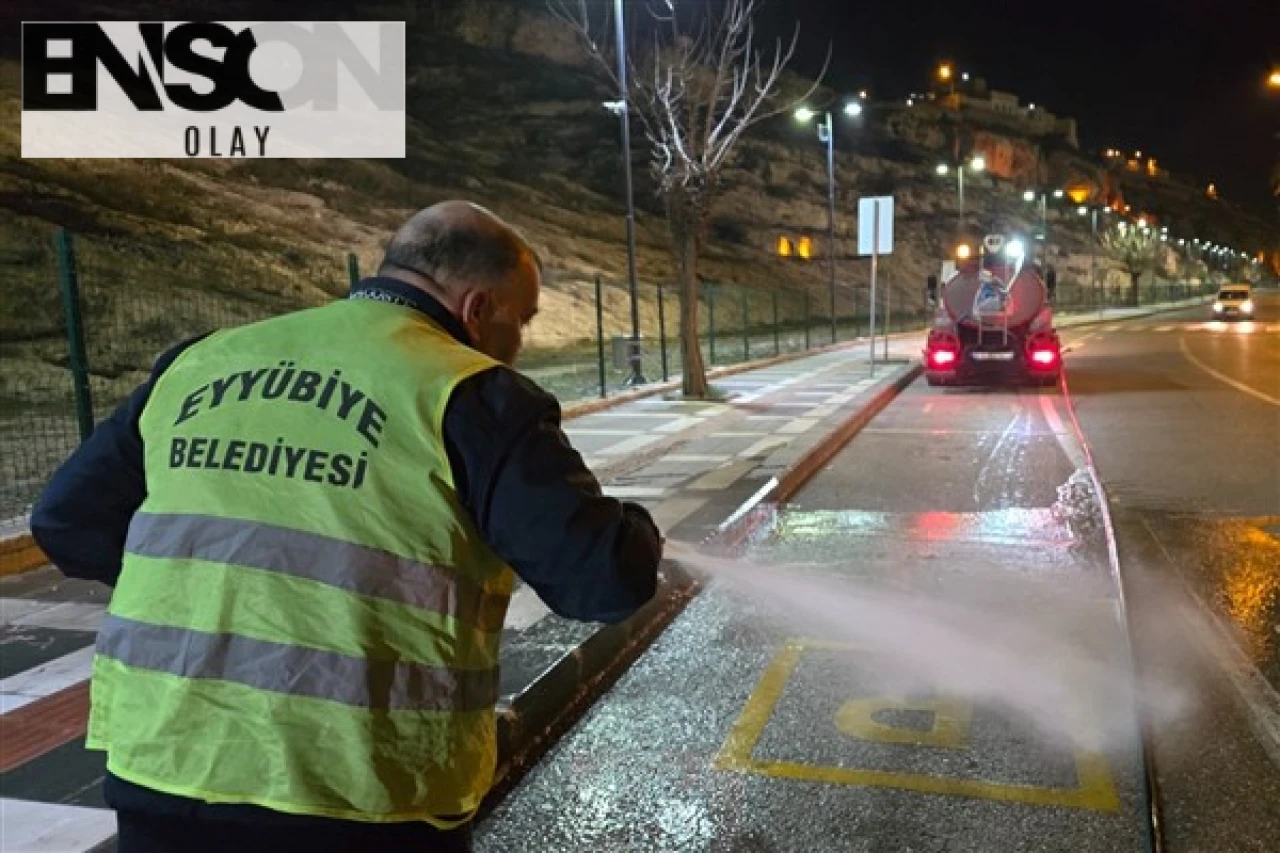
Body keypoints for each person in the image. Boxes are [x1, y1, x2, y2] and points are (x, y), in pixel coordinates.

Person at [31, 200, 664, 853]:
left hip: (164, 763)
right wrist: (637, 531)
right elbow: (602, 581)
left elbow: (65, 520)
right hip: (356, 784)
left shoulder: (199, 361)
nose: (521, 343)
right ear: (477, 308)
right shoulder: (470, 392)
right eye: (521, 320)